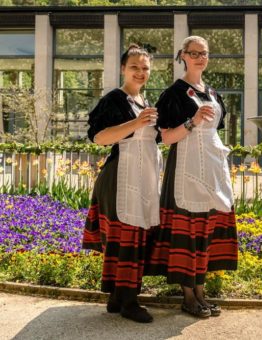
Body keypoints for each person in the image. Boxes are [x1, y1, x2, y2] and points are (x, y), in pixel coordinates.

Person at [145, 36, 238, 318]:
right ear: (183, 56)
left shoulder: (211, 91)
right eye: (194, 53)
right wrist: (193, 121)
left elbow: (217, 130)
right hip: (185, 166)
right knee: (189, 231)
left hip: (211, 165)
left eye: (204, 53)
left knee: (206, 230)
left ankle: (200, 292)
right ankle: (188, 297)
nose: (200, 57)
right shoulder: (174, 93)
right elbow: (165, 137)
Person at [82, 44, 160, 323]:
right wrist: (136, 124)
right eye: (134, 67)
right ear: (123, 69)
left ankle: (116, 296)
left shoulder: (144, 103)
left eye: (145, 68)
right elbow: (99, 137)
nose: (140, 72)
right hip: (120, 178)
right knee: (126, 236)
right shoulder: (115, 99)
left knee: (135, 235)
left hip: (142, 178)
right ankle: (129, 301)